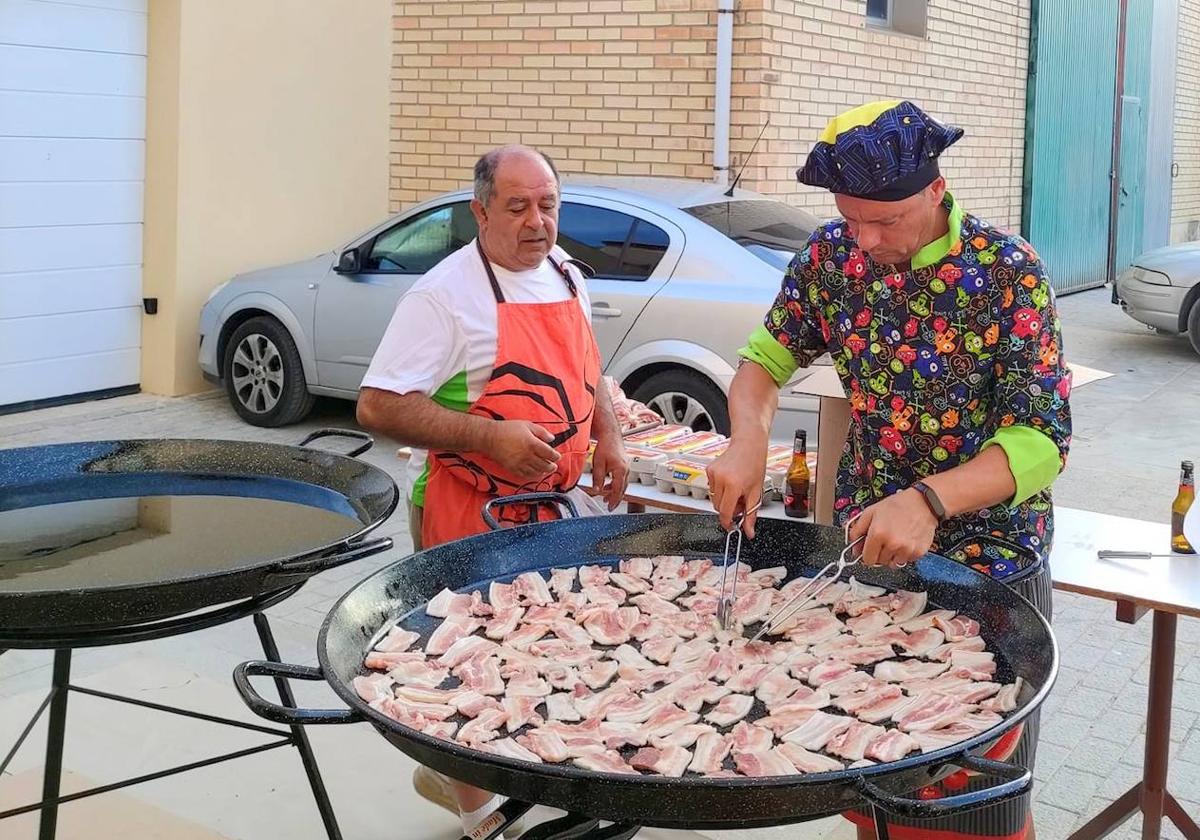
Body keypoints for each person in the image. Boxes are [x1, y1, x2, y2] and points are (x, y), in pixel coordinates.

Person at [707, 100, 1071, 840]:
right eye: (853, 219)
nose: (868, 241)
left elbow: (1042, 440)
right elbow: (763, 363)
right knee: (867, 763)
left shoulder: (1008, 272)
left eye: (888, 221)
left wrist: (931, 500)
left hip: (989, 561)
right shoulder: (830, 257)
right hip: (868, 551)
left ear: (936, 191)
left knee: (969, 801)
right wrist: (746, 437)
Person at [357, 145, 630, 835]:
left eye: (548, 205)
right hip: (467, 505)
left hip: (554, 509)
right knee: (468, 666)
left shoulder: (565, 272)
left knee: (553, 652)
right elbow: (378, 406)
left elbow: (591, 368)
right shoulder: (446, 297)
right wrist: (489, 437)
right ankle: (480, 813)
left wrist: (610, 437)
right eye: (517, 207)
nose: (537, 222)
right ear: (480, 211)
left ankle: (496, 773)